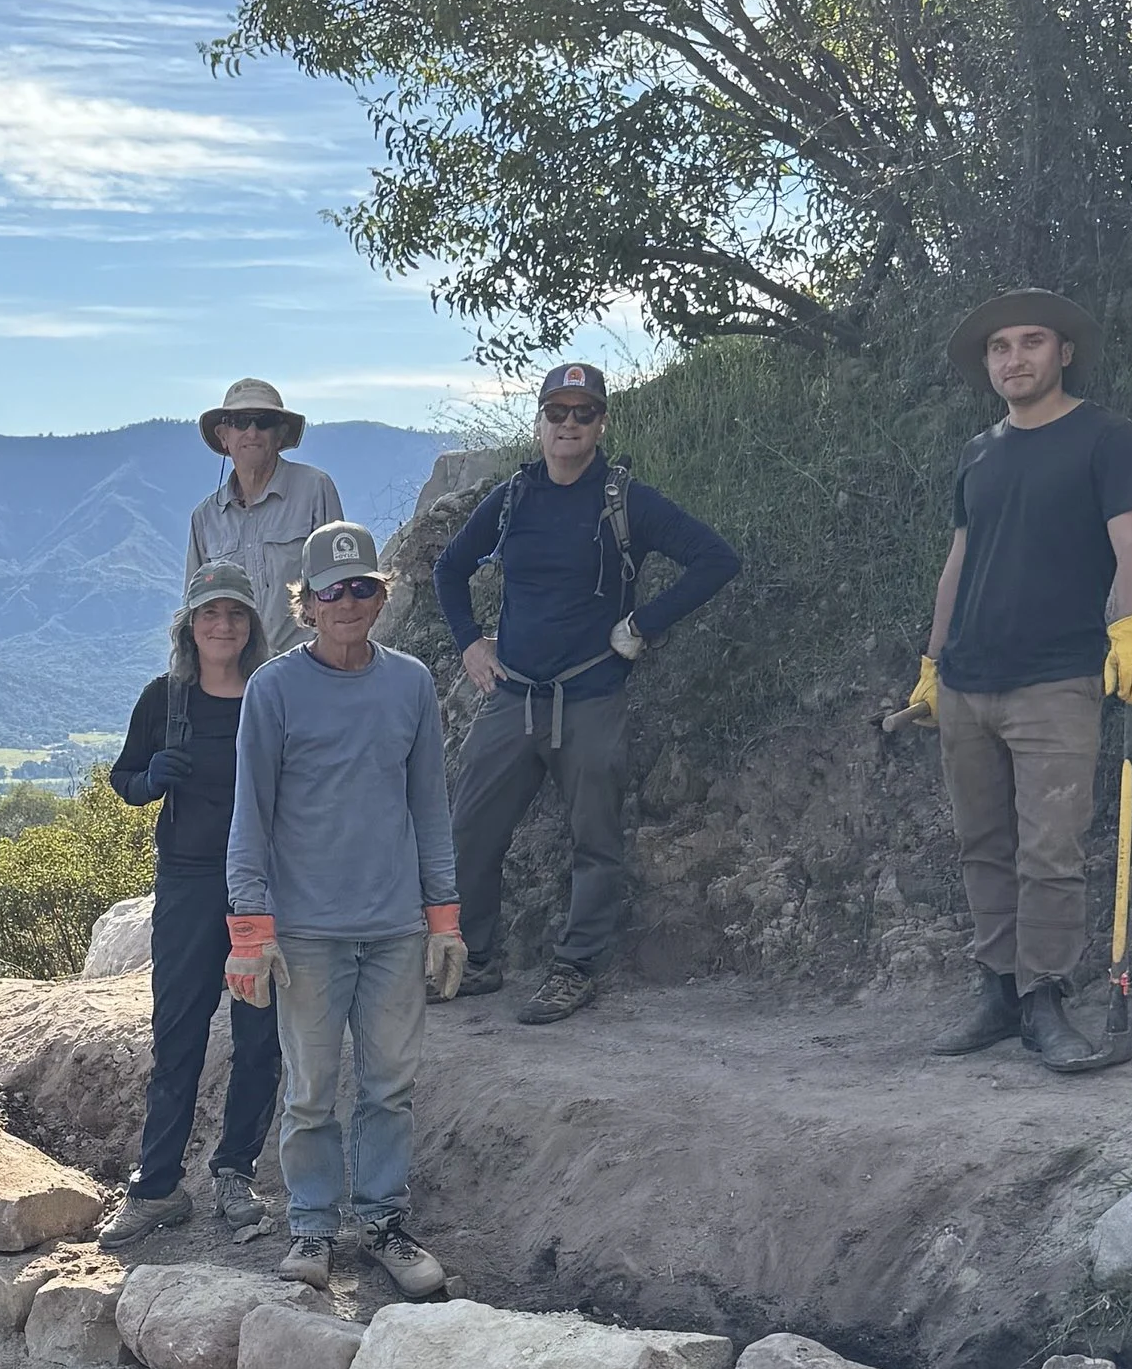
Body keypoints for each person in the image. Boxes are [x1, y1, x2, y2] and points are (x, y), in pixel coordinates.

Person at [434, 360, 740, 1023]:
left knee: (594, 838)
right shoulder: (513, 498)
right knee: (469, 832)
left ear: (601, 423)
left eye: (583, 413)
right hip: (512, 695)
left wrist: (644, 625)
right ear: (539, 420)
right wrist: (470, 642)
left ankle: (576, 969)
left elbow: (716, 558)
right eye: (557, 412)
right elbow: (450, 568)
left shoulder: (625, 498)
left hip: (592, 695)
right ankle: (476, 960)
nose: (568, 424)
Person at [907, 290, 1132, 1072]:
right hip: (967, 679)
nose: (1013, 359)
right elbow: (959, 563)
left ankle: (1044, 998)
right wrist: (930, 661)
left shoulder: (1106, 437)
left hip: (1057, 677)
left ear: (1064, 352)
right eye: (998, 348)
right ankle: (996, 989)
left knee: (1051, 849)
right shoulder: (978, 452)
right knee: (981, 844)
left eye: (1030, 342)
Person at [226, 519, 464, 1295]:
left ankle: (384, 1224)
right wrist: (249, 932)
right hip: (308, 932)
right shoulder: (273, 689)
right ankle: (313, 1229)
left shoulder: (411, 683)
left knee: (390, 1086)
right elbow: (250, 817)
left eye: (362, 587)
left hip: (395, 927)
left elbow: (430, 805)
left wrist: (445, 919)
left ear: (380, 595)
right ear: (307, 603)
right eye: (332, 590)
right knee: (309, 1091)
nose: (349, 602)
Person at [97, 564, 282, 1246]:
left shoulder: (272, 694)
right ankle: (157, 1185)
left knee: (259, 1036)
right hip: (187, 881)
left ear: (251, 625)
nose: (223, 626)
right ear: (190, 626)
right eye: (210, 615)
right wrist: (150, 779)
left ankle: (236, 1173)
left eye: (235, 614)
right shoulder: (165, 698)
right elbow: (123, 776)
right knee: (178, 1030)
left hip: (261, 885)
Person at [188, 378, 345, 655]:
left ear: (280, 434)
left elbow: (338, 585)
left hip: (304, 668)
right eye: (240, 421)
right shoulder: (205, 518)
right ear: (224, 435)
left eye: (263, 421)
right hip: (236, 677)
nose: (251, 431)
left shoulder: (315, 489)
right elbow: (194, 607)